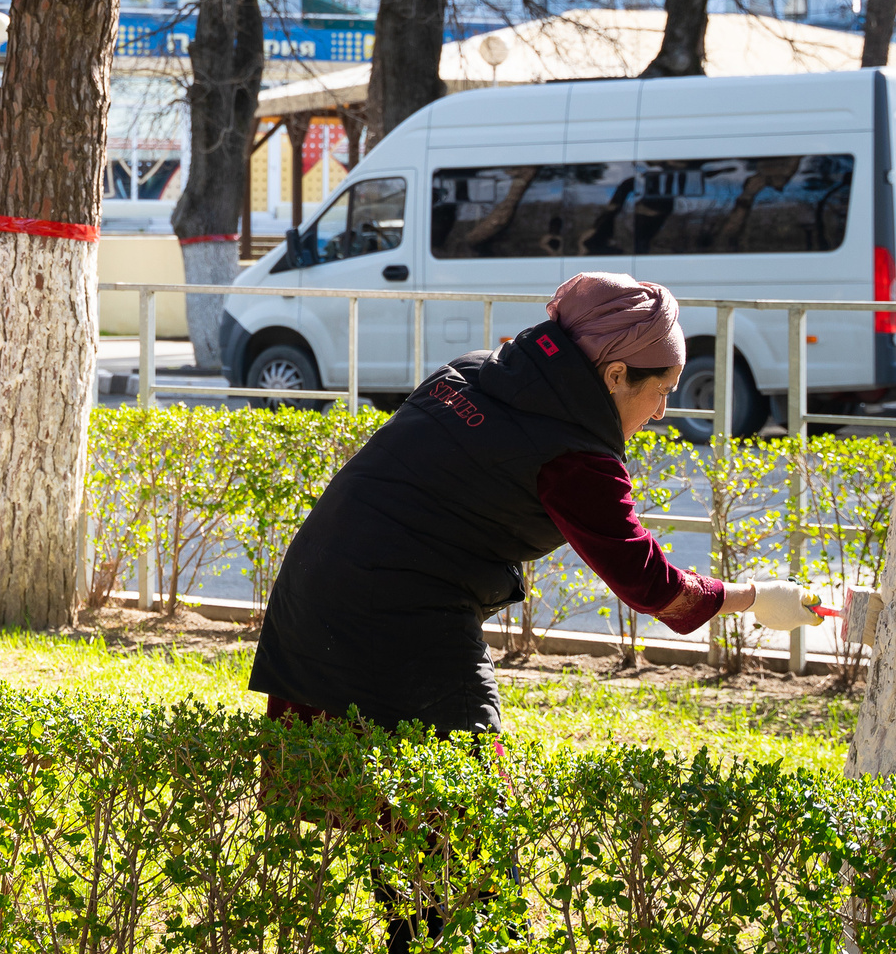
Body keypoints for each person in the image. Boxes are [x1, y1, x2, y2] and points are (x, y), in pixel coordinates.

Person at [250, 270, 818, 738]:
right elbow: (650, 585)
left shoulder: (473, 371)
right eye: (662, 390)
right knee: (463, 834)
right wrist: (755, 598)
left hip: (311, 589)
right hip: (397, 615)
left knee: (389, 823)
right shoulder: (574, 457)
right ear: (616, 375)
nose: (663, 412)